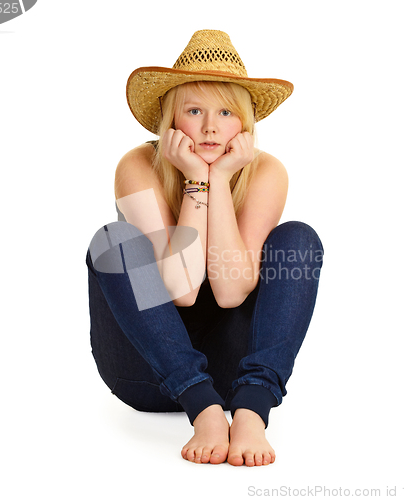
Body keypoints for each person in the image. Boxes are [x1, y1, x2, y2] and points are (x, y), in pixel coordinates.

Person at [86, 29, 324, 467]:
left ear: (246, 123)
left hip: (234, 376)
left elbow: (232, 292)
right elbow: (183, 291)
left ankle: (253, 409)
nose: (211, 127)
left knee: (299, 239)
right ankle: (204, 410)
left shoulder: (266, 172)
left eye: (227, 112)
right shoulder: (137, 165)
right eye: (194, 110)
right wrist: (196, 178)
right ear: (172, 119)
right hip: (146, 371)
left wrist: (218, 180)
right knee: (113, 242)